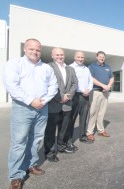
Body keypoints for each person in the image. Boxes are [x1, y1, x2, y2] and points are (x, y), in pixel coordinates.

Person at [3, 38, 58, 189]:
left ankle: (31, 165)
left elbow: (53, 86)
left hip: (42, 107)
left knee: (36, 139)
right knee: (19, 142)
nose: (35, 52)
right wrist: (30, 100)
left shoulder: (46, 68)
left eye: (38, 49)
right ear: (25, 49)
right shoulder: (14, 64)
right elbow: (11, 85)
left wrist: (44, 100)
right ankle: (16, 175)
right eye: (31, 49)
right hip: (23, 108)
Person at [44, 47, 78, 162]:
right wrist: (59, 97)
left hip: (67, 103)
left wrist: (68, 95)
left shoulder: (70, 69)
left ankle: (61, 146)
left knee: (64, 128)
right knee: (51, 130)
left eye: (62, 55)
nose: (60, 57)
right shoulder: (48, 67)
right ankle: (50, 152)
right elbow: (46, 84)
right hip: (54, 103)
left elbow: (75, 83)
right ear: (52, 56)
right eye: (57, 55)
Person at [86, 51, 114, 141]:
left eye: (103, 57)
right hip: (95, 92)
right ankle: (89, 132)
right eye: (100, 57)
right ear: (96, 57)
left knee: (102, 112)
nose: (102, 58)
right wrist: (103, 85)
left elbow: (112, 78)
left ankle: (101, 130)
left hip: (105, 93)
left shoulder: (108, 67)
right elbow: (91, 78)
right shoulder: (92, 66)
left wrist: (108, 86)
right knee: (93, 112)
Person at [67, 51, 93, 145]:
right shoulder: (70, 68)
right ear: (74, 57)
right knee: (71, 118)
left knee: (84, 117)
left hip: (86, 96)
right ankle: (69, 140)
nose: (80, 59)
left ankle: (83, 136)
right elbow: (72, 82)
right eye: (78, 57)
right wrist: (83, 90)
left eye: (82, 57)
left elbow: (90, 80)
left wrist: (89, 89)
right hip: (75, 96)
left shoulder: (86, 68)